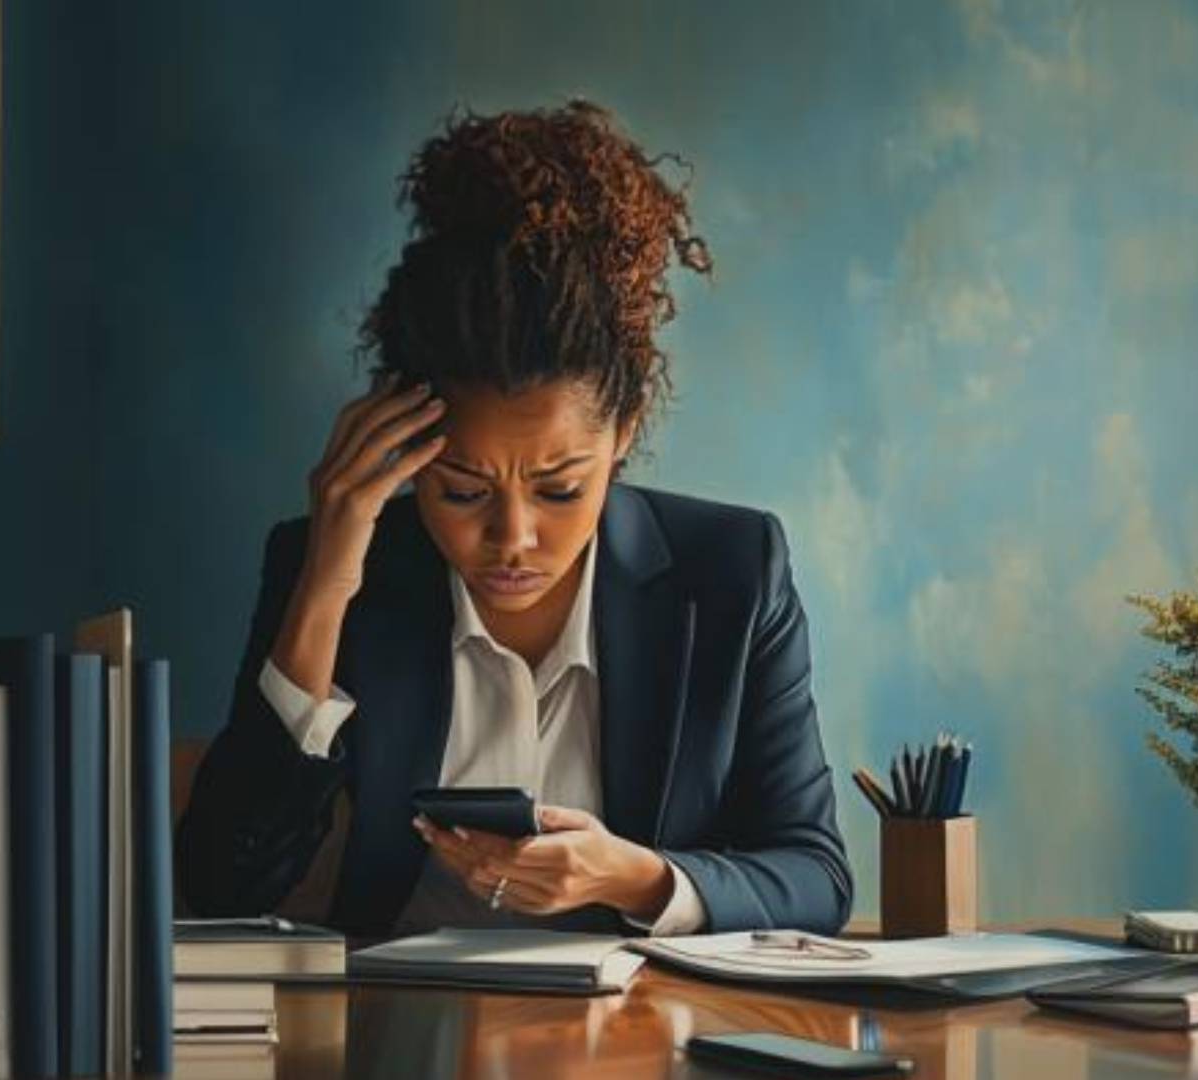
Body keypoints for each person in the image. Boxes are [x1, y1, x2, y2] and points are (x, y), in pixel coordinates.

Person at [175, 99, 851, 937]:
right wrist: (327, 583)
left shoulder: (735, 571)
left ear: (624, 434)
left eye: (560, 488)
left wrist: (640, 877)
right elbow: (224, 883)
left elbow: (815, 876)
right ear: (409, 448)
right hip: (401, 1040)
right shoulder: (337, 570)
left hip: (643, 1049)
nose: (514, 539)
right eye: (462, 490)